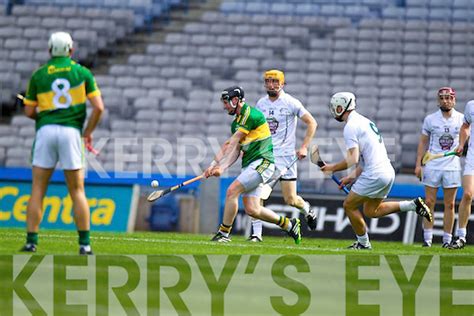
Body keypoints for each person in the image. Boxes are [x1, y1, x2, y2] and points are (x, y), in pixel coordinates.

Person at [21, 32, 104, 255]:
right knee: (77, 190)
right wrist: (87, 132)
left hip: (46, 131)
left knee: (38, 189)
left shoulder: (39, 75)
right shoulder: (82, 72)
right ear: (71, 50)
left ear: (49, 50)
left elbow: (29, 110)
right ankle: (84, 244)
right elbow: (99, 107)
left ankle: (31, 242)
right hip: (71, 133)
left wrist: (45, 116)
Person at [320, 92, 433, 249]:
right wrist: (352, 177)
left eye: (335, 107)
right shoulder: (365, 122)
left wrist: (331, 167)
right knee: (372, 210)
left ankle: (363, 243)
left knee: (349, 206)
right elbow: (366, 158)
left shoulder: (350, 127)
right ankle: (413, 205)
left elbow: (353, 159)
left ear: (341, 107)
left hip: (375, 174)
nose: (333, 111)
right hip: (387, 172)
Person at [204, 86, 302, 244]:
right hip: (250, 164)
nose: (225, 106)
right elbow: (236, 150)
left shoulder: (250, 114)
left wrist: (216, 164)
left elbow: (232, 142)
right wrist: (219, 167)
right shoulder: (235, 124)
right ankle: (289, 225)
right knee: (253, 209)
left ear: (236, 100)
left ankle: (224, 233)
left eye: (226, 102)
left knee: (231, 192)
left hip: (263, 162)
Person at [248, 69, 318, 242]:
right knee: (257, 192)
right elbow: (255, 127)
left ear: (282, 84)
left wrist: (303, 147)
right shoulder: (261, 103)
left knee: (291, 199)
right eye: (268, 81)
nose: (271, 84)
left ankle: (307, 210)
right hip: (265, 155)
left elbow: (312, 122)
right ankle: (256, 234)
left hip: (286, 157)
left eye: (275, 81)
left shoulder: (290, 102)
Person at [414, 87, 464, 248]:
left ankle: (447, 240)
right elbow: (423, 142)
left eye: (449, 98)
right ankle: (427, 240)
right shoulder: (430, 119)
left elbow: (467, 137)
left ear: (454, 100)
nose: (445, 100)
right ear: (438, 100)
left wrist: (463, 146)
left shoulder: (462, 119)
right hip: (432, 165)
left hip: (452, 167)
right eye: (442, 98)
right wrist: (418, 164)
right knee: (429, 202)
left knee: (450, 205)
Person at [451, 98, 474, 249]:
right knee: (467, 194)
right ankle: (461, 237)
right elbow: (465, 126)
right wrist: (461, 144)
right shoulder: (471, 105)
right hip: (472, 158)